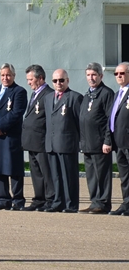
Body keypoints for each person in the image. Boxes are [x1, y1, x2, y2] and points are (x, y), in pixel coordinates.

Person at [0, 63, 28, 211]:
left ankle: (18, 199)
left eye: (8, 75)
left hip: (10, 135)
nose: (5, 78)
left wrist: (0, 127)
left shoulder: (19, 91)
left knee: (13, 168)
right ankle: (3, 198)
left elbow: (16, 113)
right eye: (3, 75)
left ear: (14, 76)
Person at [43, 69, 82, 213]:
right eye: (55, 81)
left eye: (61, 80)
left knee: (68, 176)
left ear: (67, 80)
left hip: (67, 143)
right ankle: (58, 202)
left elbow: (80, 123)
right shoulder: (48, 98)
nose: (58, 83)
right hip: (52, 143)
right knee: (56, 176)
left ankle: (71, 204)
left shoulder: (75, 97)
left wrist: (80, 142)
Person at [80, 62, 114, 214]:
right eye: (88, 75)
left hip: (100, 142)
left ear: (101, 75)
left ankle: (103, 203)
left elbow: (109, 120)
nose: (91, 78)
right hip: (87, 143)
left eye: (94, 75)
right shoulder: (88, 94)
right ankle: (94, 201)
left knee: (102, 175)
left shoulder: (106, 93)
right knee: (91, 175)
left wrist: (107, 140)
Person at [22, 64, 54, 211]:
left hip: (42, 141)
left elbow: (50, 119)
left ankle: (50, 199)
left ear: (40, 78)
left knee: (46, 172)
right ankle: (38, 198)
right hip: (32, 141)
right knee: (36, 173)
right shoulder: (35, 93)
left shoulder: (48, 94)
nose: (29, 82)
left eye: (31, 79)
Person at [108, 63, 129, 216]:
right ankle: (126, 203)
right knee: (125, 175)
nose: (119, 76)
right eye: (116, 74)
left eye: (122, 73)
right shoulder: (118, 94)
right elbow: (112, 119)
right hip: (119, 142)